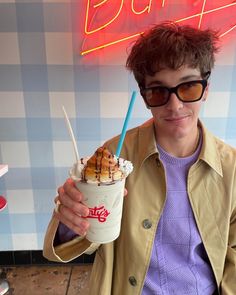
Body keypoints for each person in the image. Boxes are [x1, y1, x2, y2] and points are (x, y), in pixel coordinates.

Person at [43, 21, 236, 294]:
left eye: (189, 87)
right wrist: (71, 222)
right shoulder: (112, 158)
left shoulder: (232, 168)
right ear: (145, 98)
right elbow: (80, 240)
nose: (175, 105)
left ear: (206, 89)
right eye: (158, 91)